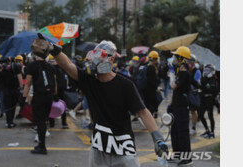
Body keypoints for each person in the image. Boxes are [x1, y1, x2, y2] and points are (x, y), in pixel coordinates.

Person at [31, 37, 168, 166]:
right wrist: (51, 47)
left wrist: (157, 137)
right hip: (99, 149)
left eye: (101, 55)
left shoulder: (125, 85)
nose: (96, 60)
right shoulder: (89, 81)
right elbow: (67, 65)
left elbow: (142, 112)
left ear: (111, 59)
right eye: (95, 55)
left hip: (123, 150)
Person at [22, 50, 58, 154]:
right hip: (49, 97)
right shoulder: (51, 67)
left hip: (39, 96)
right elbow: (55, 83)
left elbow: (28, 83)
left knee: (39, 121)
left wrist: (23, 97)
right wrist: (55, 95)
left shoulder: (32, 65)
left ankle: (42, 146)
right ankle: (41, 144)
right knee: (44, 120)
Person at [168, 46, 193, 166]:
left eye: (176, 57)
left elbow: (174, 86)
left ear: (182, 59)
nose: (174, 59)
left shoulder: (184, 73)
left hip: (182, 107)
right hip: (176, 106)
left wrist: (172, 76)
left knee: (182, 132)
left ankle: (187, 158)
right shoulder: (180, 72)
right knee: (175, 131)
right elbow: (174, 91)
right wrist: (170, 104)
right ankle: (177, 154)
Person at [47, 54, 69, 129]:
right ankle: (61, 123)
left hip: (57, 90)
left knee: (54, 106)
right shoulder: (58, 68)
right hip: (56, 90)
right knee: (57, 106)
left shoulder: (52, 68)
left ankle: (58, 123)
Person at [1, 56, 23, 128]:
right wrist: (21, 86)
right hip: (14, 90)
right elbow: (19, 77)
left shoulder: (3, 68)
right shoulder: (16, 67)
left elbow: (0, 79)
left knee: (7, 106)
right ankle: (11, 122)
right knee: (12, 106)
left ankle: (8, 122)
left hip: (6, 90)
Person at [199, 64, 219, 139]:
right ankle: (207, 130)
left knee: (210, 116)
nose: (206, 72)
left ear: (212, 72)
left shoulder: (213, 80)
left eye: (208, 70)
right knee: (200, 115)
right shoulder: (204, 78)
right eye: (205, 70)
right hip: (203, 99)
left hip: (210, 100)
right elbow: (202, 87)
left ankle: (212, 132)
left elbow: (212, 90)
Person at [143, 51, 161, 118]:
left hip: (146, 89)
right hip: (151, 89)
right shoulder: (151, 67)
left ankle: (149, 115)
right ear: (154, 59)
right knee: (153, 102)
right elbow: (152, 79)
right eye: (156, 59)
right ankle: (151, 116)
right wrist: (156, 86)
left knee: (148, 102)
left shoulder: (147, 66)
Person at [188, 54, 201, 135]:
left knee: (193, 111)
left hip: (193, 93)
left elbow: (196, 83)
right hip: (186, 92)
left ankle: (193, 127)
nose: (189, 62)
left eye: (190, 61)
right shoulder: (186, 70)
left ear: (193, 62)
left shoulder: (197, 71)